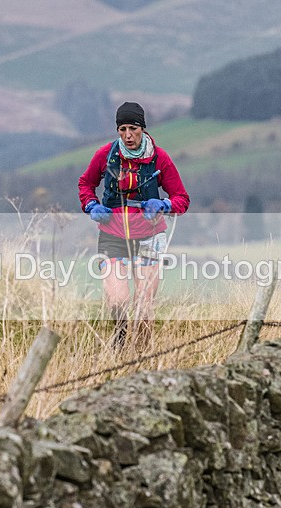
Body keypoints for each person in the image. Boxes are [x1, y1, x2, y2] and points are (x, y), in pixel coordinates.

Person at [78, 102, 190, 349]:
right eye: (122, 129)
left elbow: (182, 199)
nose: (128, 135)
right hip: (112, 235)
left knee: (143, 303)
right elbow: (85, 184)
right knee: (118, 299)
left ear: (143, 128)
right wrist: (92, 206)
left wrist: (163, 205)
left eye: (133, 128)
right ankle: (118, 349)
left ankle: (141, 354)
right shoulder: (105, 155)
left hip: (150, 237)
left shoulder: (160, 158)